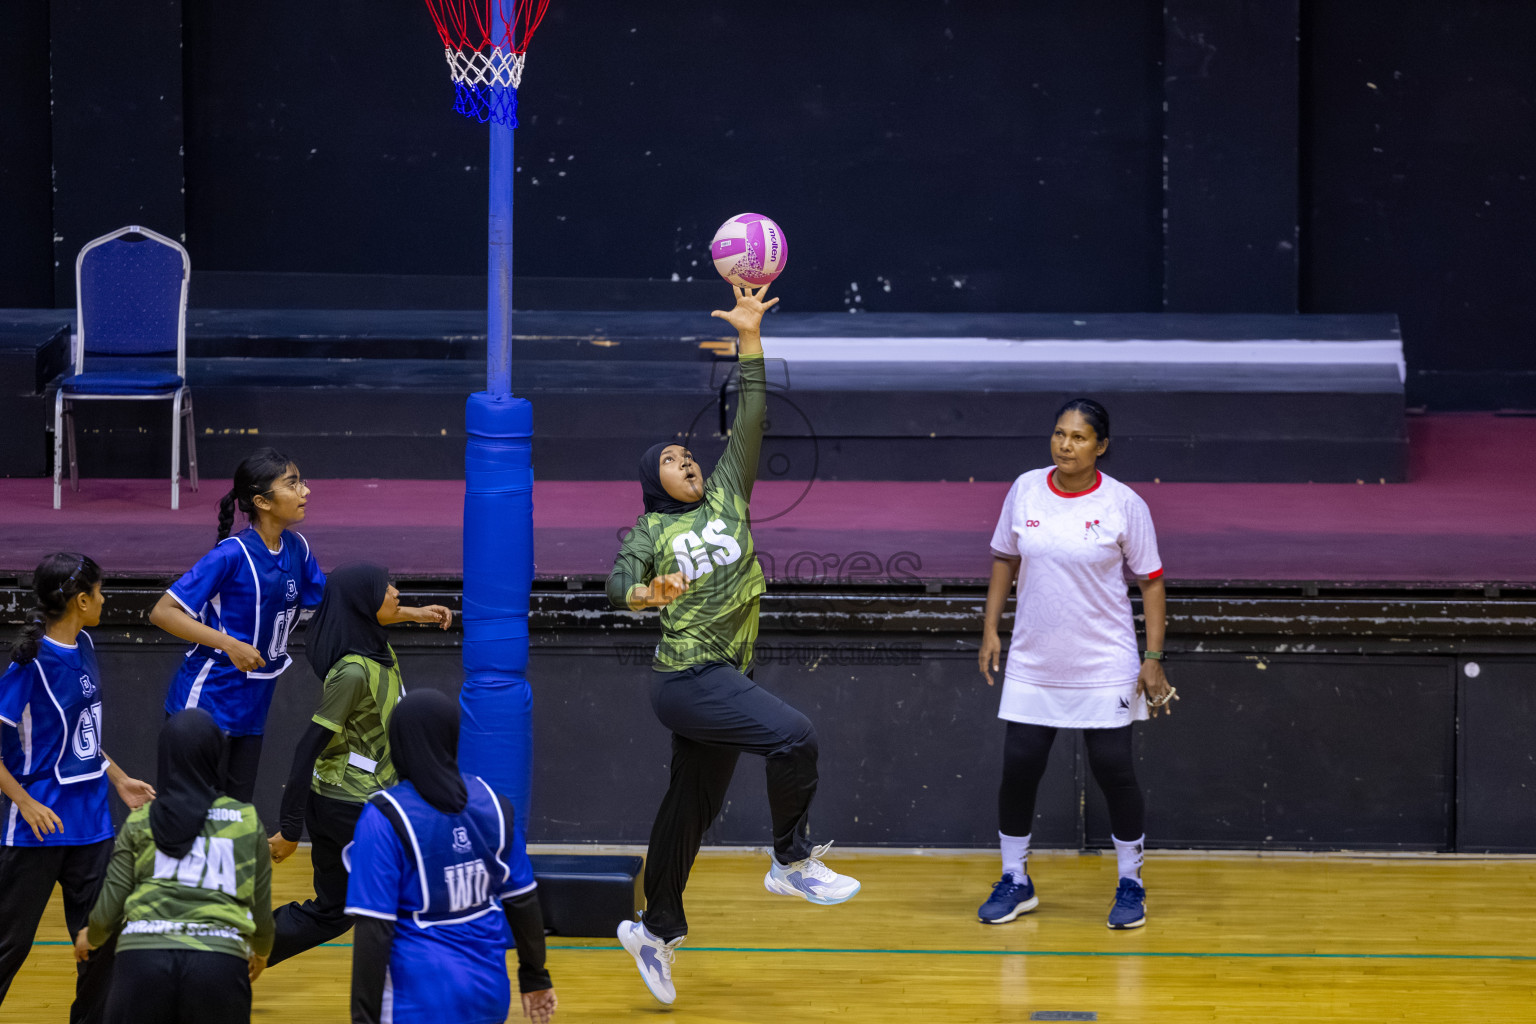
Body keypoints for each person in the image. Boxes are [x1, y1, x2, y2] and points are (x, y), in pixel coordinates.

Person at [606, 284, 859, 1006]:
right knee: (795, 736)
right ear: (653, 482)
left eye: (689, 452)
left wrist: (750, 338)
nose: (686, 458)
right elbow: (616, 582)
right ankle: (791, 857)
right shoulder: (650, 534)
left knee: (688, 807)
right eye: (672, 459)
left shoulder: (726, 497)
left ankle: (654, 931)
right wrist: (640, 595)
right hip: (686, 678)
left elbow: (749, 416)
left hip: (721, 674)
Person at [976, 397, 1176, 931]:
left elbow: (1151, 581)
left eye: (1080, 437)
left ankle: (1131, 883)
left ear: (1101, 447)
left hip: (1104, 662)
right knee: (1019, 768)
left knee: (1113, 771)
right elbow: (1005, 558)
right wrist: (991, 628)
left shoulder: (1124, 503)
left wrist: (1152, 658)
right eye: (1060, 434)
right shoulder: (1024, 488)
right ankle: (1015, 879)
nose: (1066, 445)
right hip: (1033, 659)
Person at [265, 563, 452, 965]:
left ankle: (239, 949)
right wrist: (289, 829)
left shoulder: (375, 646)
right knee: (413, 889)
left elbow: (383, 611)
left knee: (333, 912)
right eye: (385, 587)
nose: (395, 591)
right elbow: (305, 750)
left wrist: (418, 614)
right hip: (349, 805)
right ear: (364, 604)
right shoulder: (352, 671)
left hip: (350, 800)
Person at [0, 552, 156, 1023]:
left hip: (91, 825)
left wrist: (118, 777)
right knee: (9, 945)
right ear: (81, 599)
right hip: (38, 828)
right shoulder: (28, 668)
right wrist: (24, 801)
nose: (105, 599)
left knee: (103, 940)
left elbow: (82, 735)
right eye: (100, 591)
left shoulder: (85, 643)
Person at [345, 689, 555, 1024]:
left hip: (416, 998)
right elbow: (522, 900)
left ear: (398, 741)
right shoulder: (495, 804)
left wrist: (363, 1018)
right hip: (489, 995)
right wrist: (535, 978)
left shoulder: (383, 815)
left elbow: (374, 930)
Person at [75, 709, 273, 1024]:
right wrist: (261, 950)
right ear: (216, 756)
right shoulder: (247, 821)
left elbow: (110, 906)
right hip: (219, 965)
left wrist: (92, 936)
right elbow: (260, 910)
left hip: (141, 964)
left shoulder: (140, 822)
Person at [149, 448, 326, 801]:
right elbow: (162, 612)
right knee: (191, 815)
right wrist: (229, 644)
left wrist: (410, 613)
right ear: (261, 500)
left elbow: (332, 602)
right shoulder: (230, 554)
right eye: (293, 484)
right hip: (205, 705)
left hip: (252, 708)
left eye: (301, 482)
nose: (306, 491)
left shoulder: (297, 548)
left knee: (233, 814)